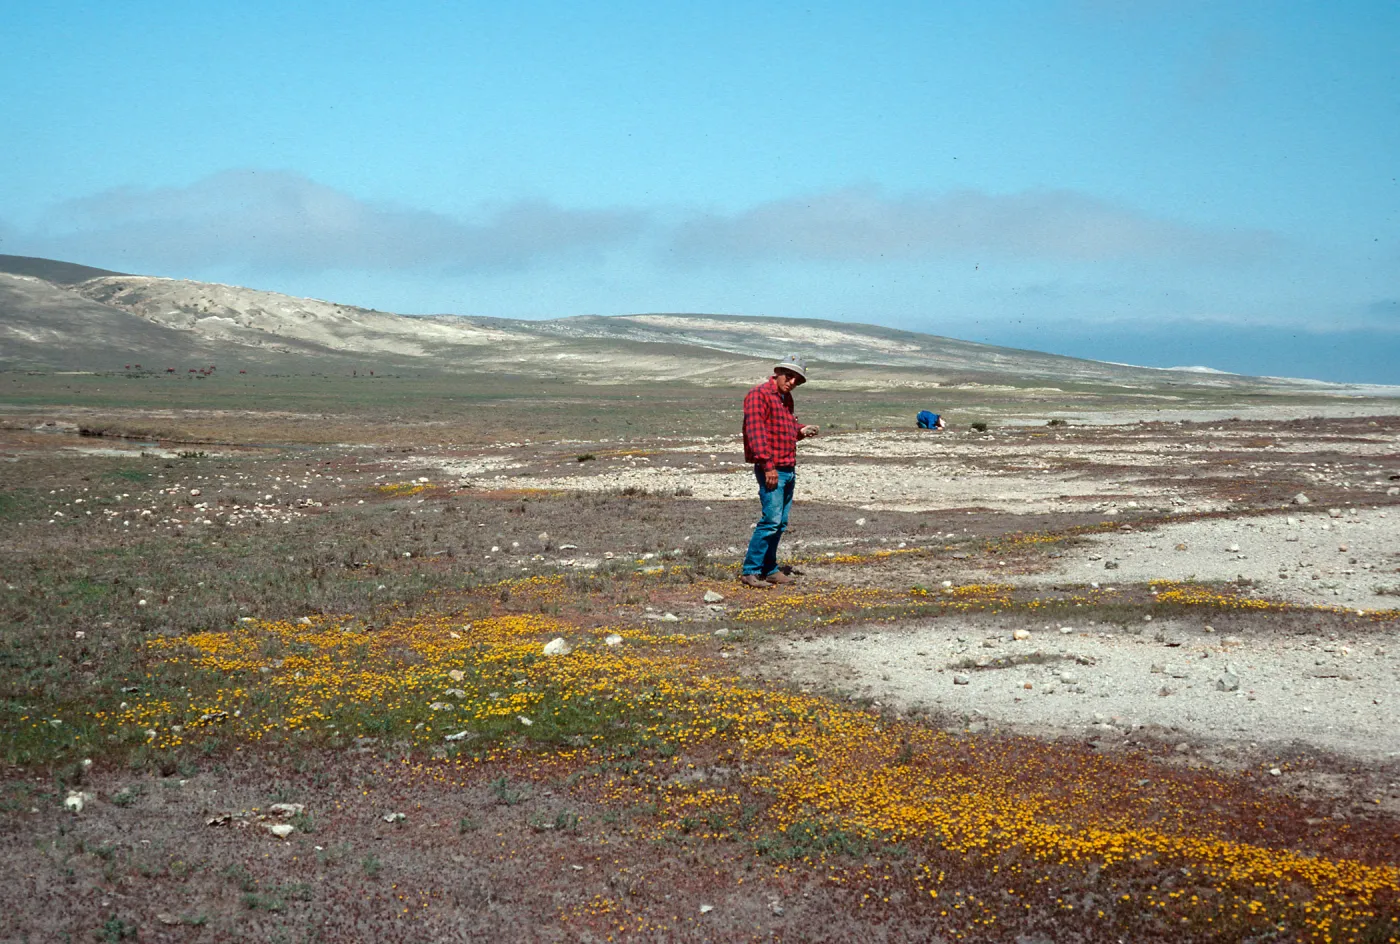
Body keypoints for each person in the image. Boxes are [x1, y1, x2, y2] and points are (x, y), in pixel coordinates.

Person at [740, 354, 819, 588]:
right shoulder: (759, 395)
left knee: (780, 522)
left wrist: (801, 430)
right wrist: (768, 466)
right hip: (773, 468)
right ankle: (751, 571)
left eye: (797, 379)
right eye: (790, 376)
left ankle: (770, 569)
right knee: (771, 521)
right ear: (778, 372)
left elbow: (784, 427)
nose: (792, 382)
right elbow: (756, 433)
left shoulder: (786, 399)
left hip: (787, 466)